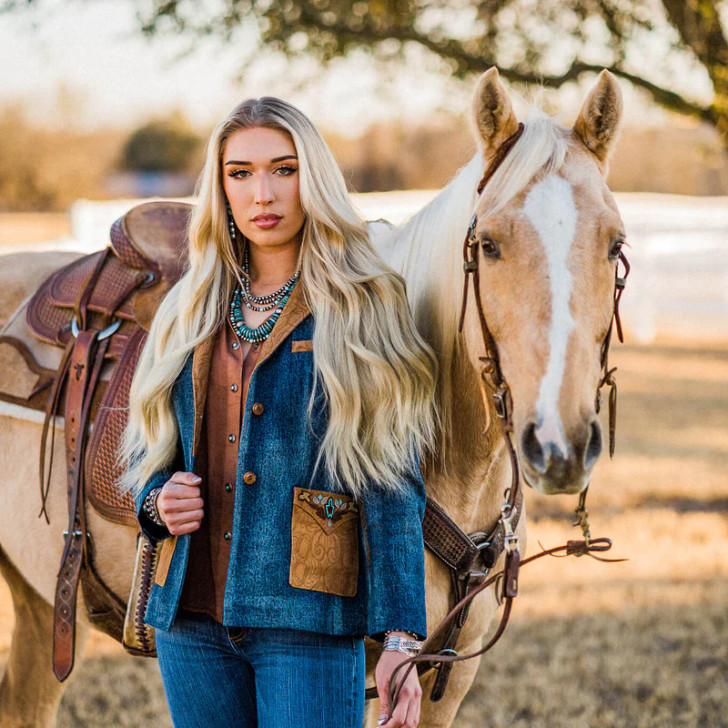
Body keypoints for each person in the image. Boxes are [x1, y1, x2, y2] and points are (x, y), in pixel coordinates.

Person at [119, 96, 438, 728]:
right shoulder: (190, 306)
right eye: (240, 173)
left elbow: (393, 479)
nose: (262, 192)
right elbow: (145, 455)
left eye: (283, 169)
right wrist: (156, 501)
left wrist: (401, 638)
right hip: (188, 617)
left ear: (311, 178)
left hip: (308, 617)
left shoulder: (364, 302)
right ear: (221, 188)